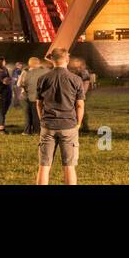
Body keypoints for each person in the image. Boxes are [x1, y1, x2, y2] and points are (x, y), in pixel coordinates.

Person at [35, 48, 86, 185]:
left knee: (44, 166)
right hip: (68, 125)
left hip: (48, 126)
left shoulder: (42, 79)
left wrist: (42, 121)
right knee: (69, 166)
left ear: (52, 59)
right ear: (67, 60)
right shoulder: (76, 79)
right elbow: (80, 105)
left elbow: (39, 104)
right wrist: (78, 124)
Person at [18, 57, 45, 135]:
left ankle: (27, 130)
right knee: (36, 113)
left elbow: (19, 84)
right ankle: (37, 131)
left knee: (27, 114)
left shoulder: (25, 72)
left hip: (26, 95)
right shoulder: (42, 72)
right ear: (37, 64)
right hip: (38, 95)